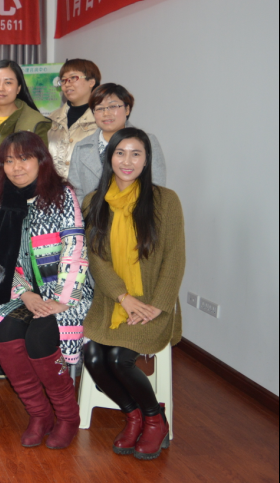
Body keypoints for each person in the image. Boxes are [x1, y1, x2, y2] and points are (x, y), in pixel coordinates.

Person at [0, 131, 92, 450]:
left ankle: (67, 416)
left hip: (65, 290)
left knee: (39, 338)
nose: (16, 167)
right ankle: (39, 415)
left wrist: (62, 300)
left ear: (41, 160)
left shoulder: (61, 195)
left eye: (24, 158)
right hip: (19, 293)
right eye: (9, 160)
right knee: (7, 335)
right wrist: (24, 292)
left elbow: (75, 246)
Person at [82, 128, 185, 461]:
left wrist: (157, 306)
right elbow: (95, 259)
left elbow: (175, 258)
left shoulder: (165, 201)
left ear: (146, 160)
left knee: (117, 359)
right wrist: (123, 297)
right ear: (109, 158)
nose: (127, 161)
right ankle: (133, 415)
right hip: (111, 301)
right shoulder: (93, 202)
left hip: (154, 303)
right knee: (93, 357)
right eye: (120, 153)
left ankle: (155, 420)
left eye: (136, 153)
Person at [0, 59, 50, 198]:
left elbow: (43, 168)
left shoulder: (36, 123)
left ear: (18, 88)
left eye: (8, 82)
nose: (1, 88)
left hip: (22, 203)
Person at [68, 83, 166, 199]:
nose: (106, 113)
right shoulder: (81, 147)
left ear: (127, 109)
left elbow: (156, 187)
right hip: (91, 210)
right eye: (99, 108)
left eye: (113, 106)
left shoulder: (147, 141)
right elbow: (76, 193)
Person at [47, 58, 101, 178]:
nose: (67, 84)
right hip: (54, 187)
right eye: (63, 80)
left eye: (73, 78)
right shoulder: (52, 119)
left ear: (91, 82)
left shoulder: (103, 119)